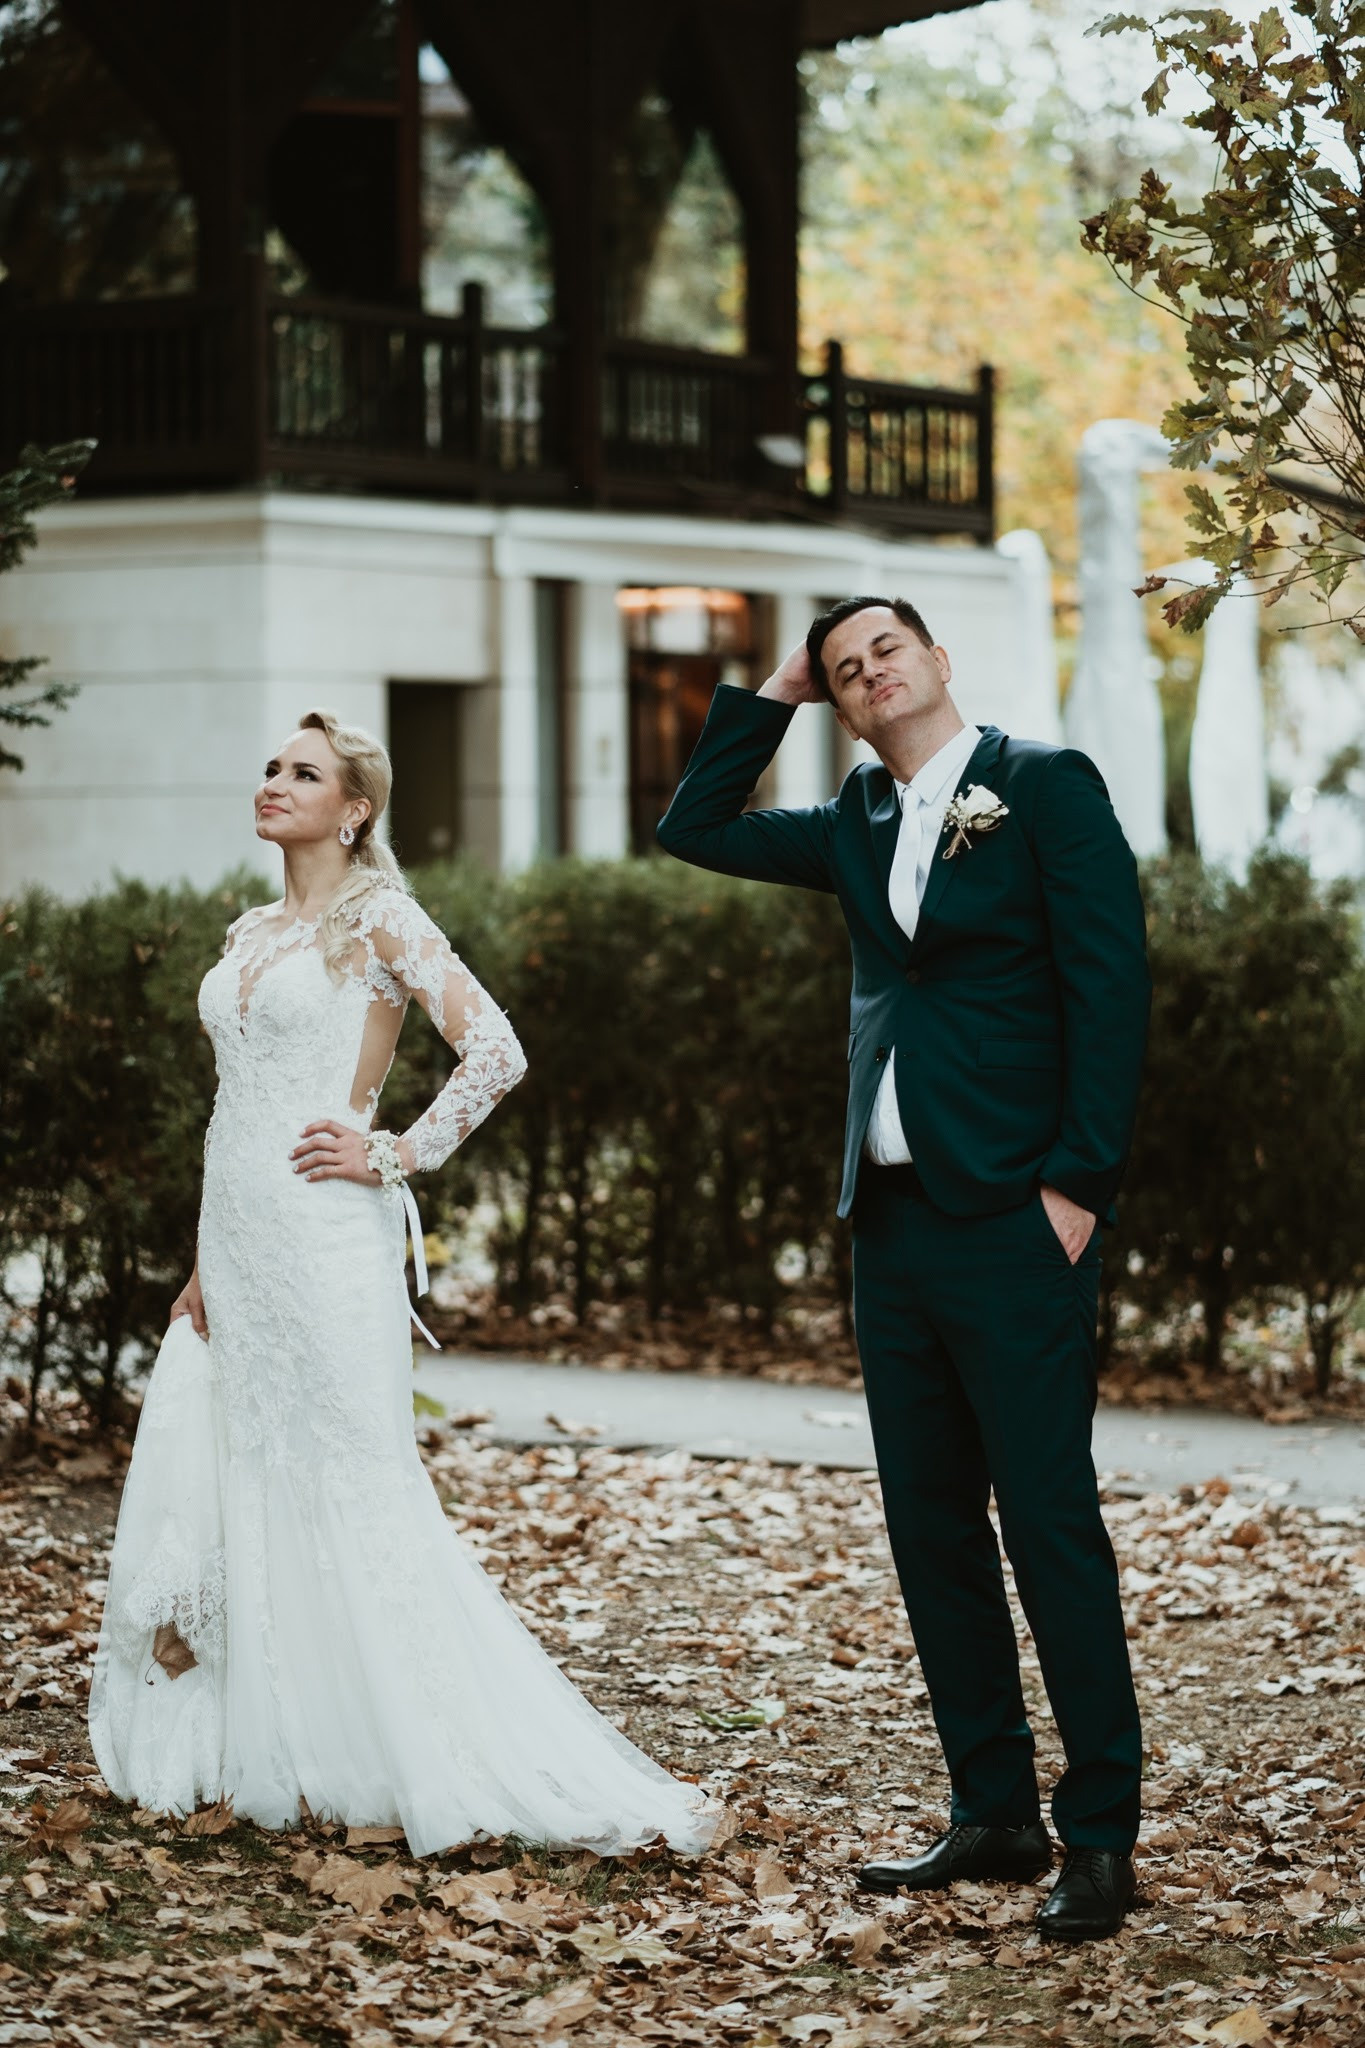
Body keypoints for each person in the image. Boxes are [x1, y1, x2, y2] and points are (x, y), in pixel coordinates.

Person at [89, 708, 718, 1859]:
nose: (275, 782)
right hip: (240, 1248)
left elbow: (497, 1049)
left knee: (348, 1478)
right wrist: (203, 1259)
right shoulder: (252, 929)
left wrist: (396, 1150)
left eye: (305, 772)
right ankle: (279, 1738)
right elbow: (235, 1111)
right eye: (271, 765)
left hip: (328, 1240)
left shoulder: (380, 916)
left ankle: (406, 1747)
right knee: (248, 1474)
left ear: (354, 808)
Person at [657, 598, 1150, 1940]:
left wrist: (1077, 1187)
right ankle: (993, 1811)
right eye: (843, 668)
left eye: (885, 649)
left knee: (1048, 1524)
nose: (868, 672)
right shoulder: (854, 819)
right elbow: (693, 826)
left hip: (1017, 1219)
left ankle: (1101, 1834)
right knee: (931, 1528)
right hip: (892, 1227)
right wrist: (773, 688)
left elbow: (1111, 986)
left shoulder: (1044, 785)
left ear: (937, 659)